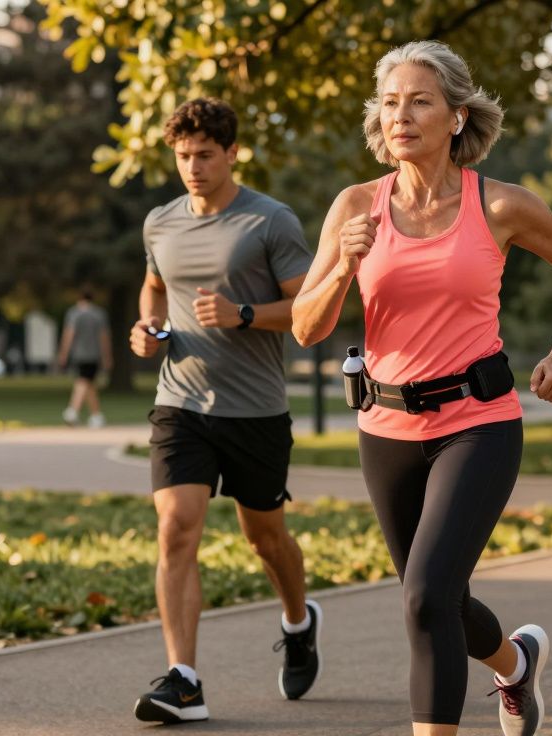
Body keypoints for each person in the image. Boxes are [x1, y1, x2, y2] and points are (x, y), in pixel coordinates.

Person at [292, 41, 552, 736]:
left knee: (426, 595)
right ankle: (516, 665)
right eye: (391, 102)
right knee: (437, 597)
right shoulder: (354, 207)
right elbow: (307, 329)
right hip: (388, 429)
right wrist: (343, 265)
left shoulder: (499, 205)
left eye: (420, 100)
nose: (401, 114)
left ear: (457, 117)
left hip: (479, 423)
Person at [128, 97, 321, 724]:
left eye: (205, 155)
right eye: (183, 156)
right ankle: (183, 680)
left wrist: (243, 314)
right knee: (176, 527)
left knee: (265, 539)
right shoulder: (161, 222)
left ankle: (298, 619)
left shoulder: (270, 222)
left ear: (232, 152)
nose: (193, 167)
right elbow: (156, 286)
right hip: (180, 399)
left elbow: (309, 309)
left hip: (255, 409)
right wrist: (148, 327)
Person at [57, 290, 112, 428]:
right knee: (88, 382)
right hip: (94, 354)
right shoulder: (99, 314)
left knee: (84, 381)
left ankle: (73, 410)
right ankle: (96, 415)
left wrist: (63, 353)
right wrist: (107, 356)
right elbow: (104, 337)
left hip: (78, 354)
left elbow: (69, 334)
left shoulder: (74, 313)